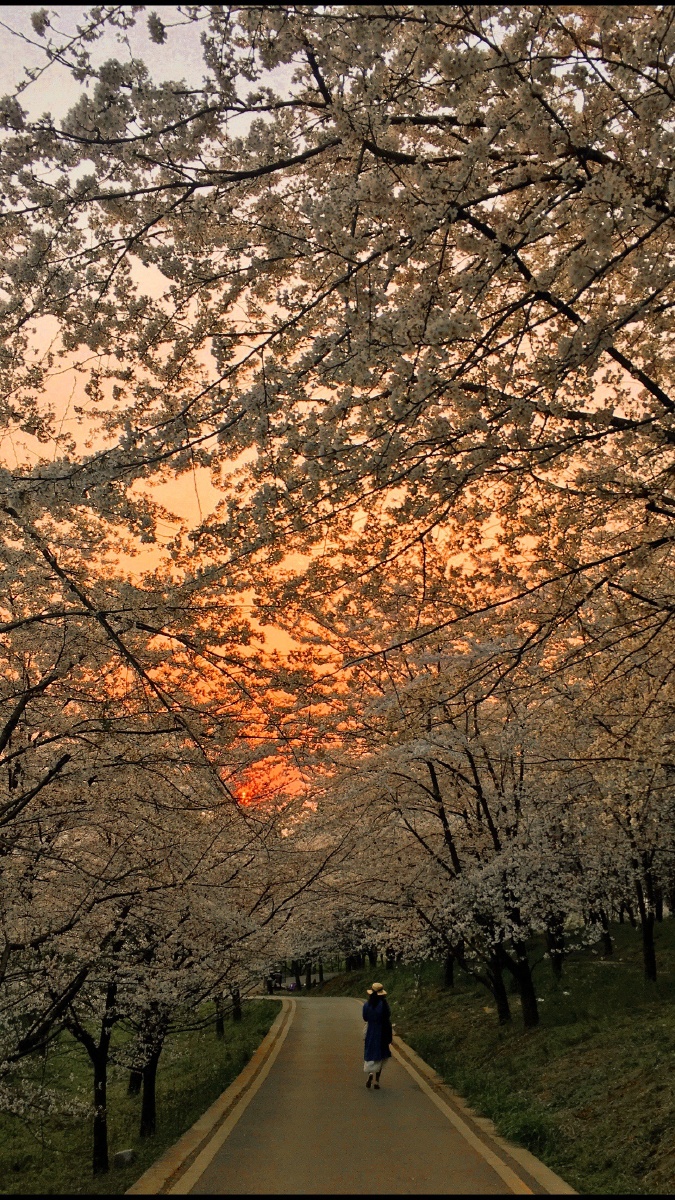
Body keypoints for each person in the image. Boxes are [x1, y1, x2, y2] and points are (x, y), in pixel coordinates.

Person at [362, 981, 392, 1089]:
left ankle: (370, 1073)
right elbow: (388, 1016)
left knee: (370, 1053)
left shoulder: (367, 1005)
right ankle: (377, 1081)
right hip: (382, 1031)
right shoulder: (384, 1005)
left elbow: (365, 1018)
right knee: (381, 1055)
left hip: (370, 1031)